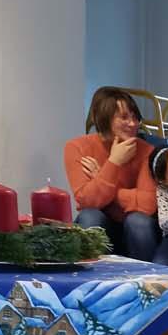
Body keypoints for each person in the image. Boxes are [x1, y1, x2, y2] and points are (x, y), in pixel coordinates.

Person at [64, 86, 159, 260]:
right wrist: (114, 162)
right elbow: (88, 200)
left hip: (134, 230)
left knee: (138, 221)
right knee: (90, 216)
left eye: (135, 117)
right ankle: (90, 280)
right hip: (101, 224)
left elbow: (147, 205)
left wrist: (101, 177)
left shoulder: (147, 151)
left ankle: (147, 281)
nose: (133, 123)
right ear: (104, 118)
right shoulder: (76, 147)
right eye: (124, 117)